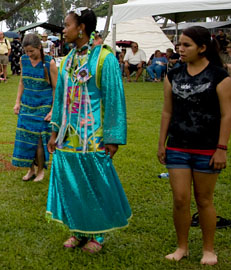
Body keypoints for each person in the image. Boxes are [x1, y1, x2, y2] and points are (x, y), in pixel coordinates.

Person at [46, 8, 131, 253]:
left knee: (95, 183)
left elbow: (114, 100)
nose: (64, 30)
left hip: (93, 136)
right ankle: (79, 231)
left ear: (81, 27)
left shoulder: (104, 58)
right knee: (73, 182)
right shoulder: (68, 60)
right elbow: (60, 98)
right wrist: (54, 133)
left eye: (67, 25)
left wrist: (113, 138)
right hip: (68, 136)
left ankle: (99, 235)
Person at [158, 26, 231, 266]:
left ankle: (208, 249)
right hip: (178, 147)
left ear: (202, 48)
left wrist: (221, 148)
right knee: (180, 199)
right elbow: (167, 111)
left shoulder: (219, 76)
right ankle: (182, 247)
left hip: (207, 149)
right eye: (179, 44)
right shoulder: (173, 75)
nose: (180, 48)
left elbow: (227, 115)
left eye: (186, 45)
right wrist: (162, 144)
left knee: (204, 200)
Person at [12, 33, 57, 182]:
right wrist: (17, 102)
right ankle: (30, 170)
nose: (29, 54)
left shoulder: (49, 63)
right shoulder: (23, 60)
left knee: (38, 141)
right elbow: (22, 82)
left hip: (43, 106)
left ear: (39, 47)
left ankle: (40, 172)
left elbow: (56, 88)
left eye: (32, 51)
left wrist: (52, 110)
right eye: (27, 51)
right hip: (26, 105)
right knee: (25, 138)